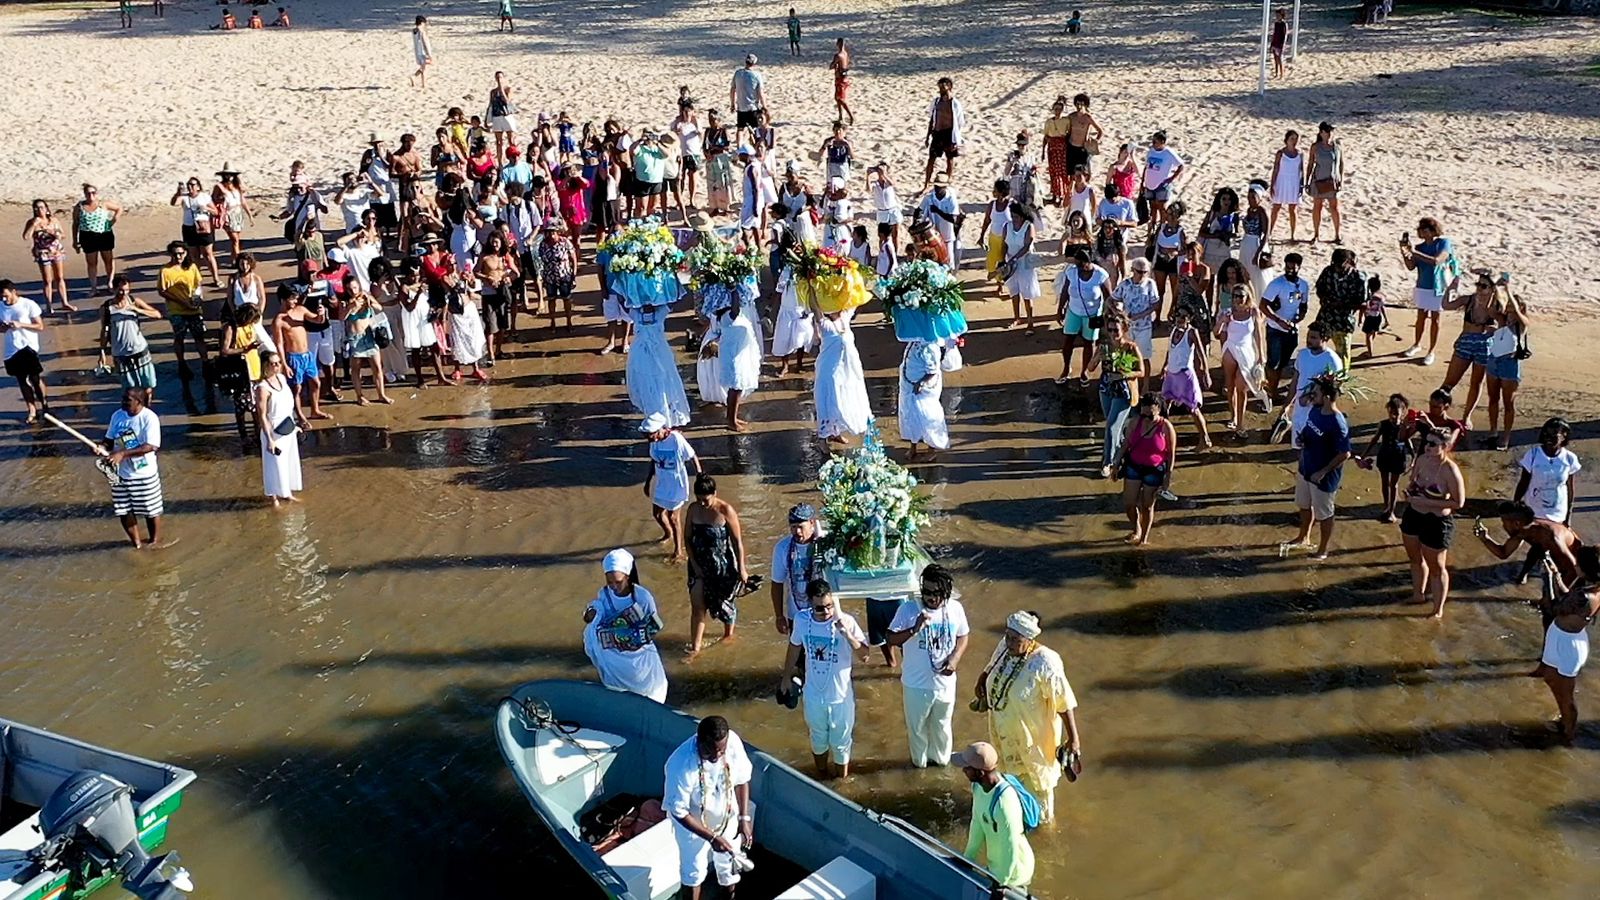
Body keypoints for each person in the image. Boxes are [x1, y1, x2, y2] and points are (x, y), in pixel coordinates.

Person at [974, 611, 1080, 824]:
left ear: (1030, 640)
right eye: (1008, 636)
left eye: (1016, 640)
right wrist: (981, 682)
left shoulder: (1046, 662)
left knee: (1039, 803)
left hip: (1033, 742)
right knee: (1010, 787)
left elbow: (1064, 702)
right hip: (1005, 735)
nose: (1010, 643)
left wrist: (1073, 739)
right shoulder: (1005, 647)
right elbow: (990, 667)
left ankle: (1044, 833)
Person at [882, 565, 971, 768]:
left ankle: (941, 766)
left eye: (935, 593)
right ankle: (919, 766)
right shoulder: (909, 609)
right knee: (917, 729)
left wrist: (955, 659)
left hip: (945, 684)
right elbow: (890, 638)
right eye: (926, 592)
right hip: (916, 685)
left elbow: (963, 636)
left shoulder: (955, 609)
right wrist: (914, 629)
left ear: (946, 592)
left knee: (942, 727)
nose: (930, 597)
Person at [781, 579, 867, 778]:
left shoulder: (847, 621)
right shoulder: (803, 621)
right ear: (810, 603)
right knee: (818, 739)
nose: (826, 612)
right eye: (820, 608)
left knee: (842, 743)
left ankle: (841, 782)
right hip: (814, 695)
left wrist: (847, 634)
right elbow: (794, 648)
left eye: (829, 606)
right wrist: (786, 677)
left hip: (841, 697)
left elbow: (865, 655)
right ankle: (820, 775)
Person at [664, 716, 753, 899]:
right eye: (709, 751)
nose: (715, 757)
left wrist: (744, 819)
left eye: (720, 751)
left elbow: (743, 780)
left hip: (727, 816)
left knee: (728, 864)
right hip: (692, 825)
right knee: (693, 872)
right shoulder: (680, 764)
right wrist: (712, 838)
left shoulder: (733, 741)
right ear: (699, 740)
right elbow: (679, 812)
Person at [1527, 548, 1600, 746]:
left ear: (1585, 569)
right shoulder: (1589, 589)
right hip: (1560, 637)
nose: (1574, 564)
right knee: (1551, 677)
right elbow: (1568, 599)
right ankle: (1563, 719)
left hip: (1568, 646)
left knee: (1566, 696)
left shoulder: (1585, 597)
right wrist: (1558, 577)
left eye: (1577, 563)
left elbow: (1554, 607)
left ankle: (1568, 733)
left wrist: (1548, 578)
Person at [583, 548, 668, 703]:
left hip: (638, 654)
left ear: (628, 577)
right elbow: (598, 611)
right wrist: (592, 613)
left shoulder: (643, 597)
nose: (614, 586)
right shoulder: (605, 594)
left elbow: (652, 626)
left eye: (618, 582)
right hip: (615, 653)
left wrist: (635, 641)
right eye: (610, 582)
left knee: (650, 691)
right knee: (619, 695)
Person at [1401, 419, 1466, 619]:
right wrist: (1410, 492)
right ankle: (1418, 595)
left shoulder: (1450, 470)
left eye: (1432, 444)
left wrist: (1428, 502)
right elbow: (1413, 482)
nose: (1427, 446)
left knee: (1437, 568)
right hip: (1413, 515)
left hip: (1436, 522)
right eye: (1426, 442)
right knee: (1414, 558)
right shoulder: (1421, 460)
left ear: (1444, 447)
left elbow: (1458, 503)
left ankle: (1437, 610)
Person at [1283, 375, 1351, 560]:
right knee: (1304, 505)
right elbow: (1307, 431)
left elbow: (1345, 453)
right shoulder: (1315, 410)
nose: (1313, 395)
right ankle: (1303, 537)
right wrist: (1301, 439)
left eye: (1317, 392)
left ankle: (1323, 549)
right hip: (1306, 468)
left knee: (1325, 514)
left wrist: (1323, 472)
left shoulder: (1338, 423)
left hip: (1322, 477)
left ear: (1328, 397)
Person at [683, 474, 749, 658]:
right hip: (698, 564)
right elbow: (687, 539)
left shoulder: (725, 510)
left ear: (715, 493)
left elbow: (737, 543)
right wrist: (694, 564)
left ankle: (729, 635)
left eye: (706, 499)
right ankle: (695, 648)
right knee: (698, 606)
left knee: (724, 604)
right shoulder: (693, 509)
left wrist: (742, 569)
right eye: (698, 499)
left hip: (723, 565)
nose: (702, 503)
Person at [955, 741, 1035, 891]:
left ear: (980, 772)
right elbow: (977, 824)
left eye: (967, 767)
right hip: (995, 867)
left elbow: (1010, 847)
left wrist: (1001, 884)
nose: (963, 770)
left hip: (1015, 873)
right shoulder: (978, 787)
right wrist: (967, 859)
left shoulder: (1005, 803)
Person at [99, 389, 167, 549]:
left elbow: (151, 446)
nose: (123, 402)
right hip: (120, 474)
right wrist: (102, 446)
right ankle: (136, 544)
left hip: (144, 473)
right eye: (123, 398)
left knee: (151, 510)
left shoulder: (149, 418)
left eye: (127, 400)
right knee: (124, 511)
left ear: (139, 401)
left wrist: (122, 454)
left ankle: (154, 542)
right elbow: (109, 439)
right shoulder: (117, 416)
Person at [1109, 393, 1177, 545]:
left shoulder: (1166, 427)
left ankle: (1144, 538)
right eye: (1143, 413)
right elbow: (1125, 444)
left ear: (1158, 409)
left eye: (1150, 414)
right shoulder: (1135, 422)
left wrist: (1168, 477)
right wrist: (1116, 464)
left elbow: (1171, 454)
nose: (1146, 417)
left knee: (1147, 506)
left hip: (1154, 470)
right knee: (1129, 503)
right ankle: (1136, 529)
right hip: (1134, 466)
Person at [1087, 317, 1145, 477]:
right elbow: (1090, 368)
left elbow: (1141, 371)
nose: (1113, 333)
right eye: (1110, 330)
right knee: (1112, 426)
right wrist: (1097, 357)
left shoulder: (1131, 348)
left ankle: (1109, 462)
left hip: (1124, 390)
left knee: (1112, 427)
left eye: (1116, 330)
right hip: (1106, 389)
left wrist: (1123, 375)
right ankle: (1123, 451)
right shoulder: (1104, 347)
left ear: (1124, 329)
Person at [1399, 217, 1460, 367]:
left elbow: (1436, 261)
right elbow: (1411, 266)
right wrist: (1405, 253)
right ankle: (1417, 344)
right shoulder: (1419, 248)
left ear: (1432, 231)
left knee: (1435, 319)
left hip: (1438, 287)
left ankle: (1431, 351)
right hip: (1423, 285)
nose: (1421, 232)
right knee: (1420, 317)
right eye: (1420, 229)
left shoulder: (1443, 243)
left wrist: (1413, 252)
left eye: (1424, 229)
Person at [642, 413, 700, 562]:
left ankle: (678, 550)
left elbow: (692, 456)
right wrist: (648, 481)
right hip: (661, 482)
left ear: (660, 430)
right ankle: (668, 534)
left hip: (676, 483)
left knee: (673, 517)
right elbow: (653, 461)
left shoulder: (676, 439)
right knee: (657, 514)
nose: (649, 438)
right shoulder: (653, 441)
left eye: (651, 434)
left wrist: (700, 475)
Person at [1214, 284, 1268, 437]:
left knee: (1241, 387)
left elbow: (1259, 334)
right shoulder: (1227, 312)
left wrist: (1261, 355)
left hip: (1246, 350)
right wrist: (1222, 321)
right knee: (1230, 385)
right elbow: (1216, 333)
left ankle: (1240, 423)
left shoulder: (1253, 312)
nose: (1237, 299)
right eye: (1235, 296)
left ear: (1247, 297)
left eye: (1241, 296)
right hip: (1230, 348)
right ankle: (1233, 417)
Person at [98, 276, 160, 405]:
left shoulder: (134, 301)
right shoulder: (107, 308)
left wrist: (137, 310)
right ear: (114, 289)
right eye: (121, 290)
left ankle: (147, 409)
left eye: (126, 290)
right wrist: (102, 352)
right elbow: (104, 330)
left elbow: (157, 314)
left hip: (140, 349)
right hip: (120, 353)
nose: (124, 293)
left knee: (148, 386)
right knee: (130, 390)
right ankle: (136, 410)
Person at [253, 352, 304, 507]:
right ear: (265, 366)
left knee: (288, 462)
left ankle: (287, 493)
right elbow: (262, 415)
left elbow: (287, 405)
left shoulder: (281, 378)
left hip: (287, 426)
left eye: (278, 363)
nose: (277, 366)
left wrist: (294, 426)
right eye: (273, 363)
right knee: (273, 464)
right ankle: (274, 498)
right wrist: (270, 440)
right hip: (273, 430)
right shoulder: (262, 388)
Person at [1054, 250, 1112, 384]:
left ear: (1087, 263)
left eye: (1080, 265)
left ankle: (1084, 371)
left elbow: (1109, 297)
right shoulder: (1071, 272)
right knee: (1068, 340)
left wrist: (1108, 316)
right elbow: (1064, 291)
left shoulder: (1100, 275)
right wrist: (1060, 309)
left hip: (1093, 314)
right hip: (1073, 311)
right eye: (1076, 265)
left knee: (1089, 342)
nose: (1077, 268)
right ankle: (1066, 368)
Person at [1160, 306, 1212, 449]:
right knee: (1165, 403)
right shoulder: (1174, 330)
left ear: (1189, 319)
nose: (1179, 319)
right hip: (1171, 373)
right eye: (1178, 315)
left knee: (1193, 408)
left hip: (1185, 375)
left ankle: (1205, 438)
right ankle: (1161, 433)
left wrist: (1206, 372)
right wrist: (1165, 365)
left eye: (1183, 316)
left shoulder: (1191, 332)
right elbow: (1170, 350)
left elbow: (1201, 353)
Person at [155, 243, 208, 381]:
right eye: (175, 254)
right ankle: (181, 363)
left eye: (181, 253)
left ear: (185, 253)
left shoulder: (191, 267)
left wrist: (197, 298)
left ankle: (205, 362)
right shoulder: (165, 271)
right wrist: (181, 301)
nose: (178, 256)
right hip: (176, 310)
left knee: (199, 337)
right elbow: (162, 291)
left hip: (193, 310)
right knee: (179, 337)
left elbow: (198, 285)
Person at [1260, 252, 1309, 399]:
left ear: (1299, 267)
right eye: (1287, 267)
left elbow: (1304, 306)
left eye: (1293, 267)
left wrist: (1297, 320)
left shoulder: (1304, 285)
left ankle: (1270, 387)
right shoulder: (1277, 284)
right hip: (1275, 329)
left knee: (1283, 362)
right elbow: (1263, 305)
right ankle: (1270, 392)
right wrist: (1278, 320)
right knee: (1274, 362)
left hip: (1292, 330)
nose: (1289, 270)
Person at [1485, 288, 1529, 450]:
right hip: (1494, 361)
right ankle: (1493, 430)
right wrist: (1495, 290)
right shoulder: (1502, 321)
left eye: (1512, 307)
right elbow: (1490, 310)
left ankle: (1506, 436)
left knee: (1508, 403)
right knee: (1493, 398)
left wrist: (1509, 291)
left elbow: (1517, 313)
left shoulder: (1521, 325)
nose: (1509, 309)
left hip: (1509, 364)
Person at [1357, 393, 1412, 523]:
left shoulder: (1404, 427)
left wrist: (1414, 459)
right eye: (1391, 413)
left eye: (1396, 414)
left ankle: (1391, 511)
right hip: (1385, 456)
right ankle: (1386, 507)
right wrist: (1363, 455)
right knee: (1384, 483)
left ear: (1403, 412)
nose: (1393, 417)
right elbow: (1374, 440)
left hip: (1398, 458)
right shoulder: (1383, 424)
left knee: (1394, 484)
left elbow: (1408, 442)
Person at [771, 504, 823, 634]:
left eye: (801, 526)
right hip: (796, 615)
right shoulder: (783, 548)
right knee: (797, 653)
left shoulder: (825, 544)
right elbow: (777, 583)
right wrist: (779, 616)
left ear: (811, 523)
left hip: (825, 613)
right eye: (793, 527)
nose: (797, 532)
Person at [0, 281, 48, 424]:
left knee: (35, 378)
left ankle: (45, 405)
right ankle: (31, 409)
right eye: (1, 297)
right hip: (11, 349)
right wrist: (3, 327)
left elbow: (40, 326)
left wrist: (21, 324)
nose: (4, 299)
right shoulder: (0, 307)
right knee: (21, 380)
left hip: (28, 346)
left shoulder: (28, 304)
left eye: (6, 296)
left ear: (14, 291)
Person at [895, 338, 950, 460]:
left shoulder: (929, 347)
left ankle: (931, 449)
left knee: (927, 416)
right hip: (908, 386)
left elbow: (933, 371)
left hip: (922, 389)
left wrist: (921, 383)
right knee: (910, 415)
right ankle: (913, 446)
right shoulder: (914, 341)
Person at [1312, 247, 1366, 368]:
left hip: (1344, 321)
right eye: (1334, 264)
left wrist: (1342, 305)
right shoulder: (1328, 272)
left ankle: (1340, 379)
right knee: (1316, 347)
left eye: (1340, 265)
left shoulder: (1359, 278)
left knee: (1343, 353)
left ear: (1348, 262)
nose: (1336, 268)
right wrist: (1324, 299)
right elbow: (1319, 288)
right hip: (1325, 317)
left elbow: (1362, 302)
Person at [342, 281, 393, 405]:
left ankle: (381, 394)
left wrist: (371, 302)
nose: (353, 291)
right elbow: (341, 318)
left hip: (369, 335)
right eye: (350, 289)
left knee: (377, 367)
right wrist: (351, 307)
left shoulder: (366, 296)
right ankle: (360, 396)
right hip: (355, 338)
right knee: (356, 368)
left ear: (358, 287)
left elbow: (380, 308)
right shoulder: (344, 302)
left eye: (355, 287)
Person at [72, 183, 121, 300]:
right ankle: (94, 287)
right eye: (88, 193)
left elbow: (119, 209)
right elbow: (75, 223)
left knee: (108, 260)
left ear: (96, 193)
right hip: (87, 236)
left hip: (104, 234)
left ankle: (110, 283)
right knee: (91, 263)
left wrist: (113, 220)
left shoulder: (103, 204)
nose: (91, 195)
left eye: (93, 193)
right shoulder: (79, 207)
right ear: (85, 194)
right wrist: (75, 241)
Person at [23, 199, 72, 315]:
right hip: (43, 252)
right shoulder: (32, 221)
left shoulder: (53, 220)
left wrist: (53, 232)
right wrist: (34, 225)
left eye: (42, 207)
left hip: (56, 251)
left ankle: (65, 302)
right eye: (37, 208)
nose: (40, 210)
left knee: (59, 277)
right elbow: (26, 236)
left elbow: (62, 235)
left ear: (46, 208)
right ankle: (49, 305)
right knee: (47, 280)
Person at [172, 177, 222, 288]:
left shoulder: (204, 197)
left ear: (198, 187)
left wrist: (206, 209)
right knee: (194, 255)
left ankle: (216, 278)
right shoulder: (184, 197)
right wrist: (178, 192)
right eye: (189, 185)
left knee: (208, 254)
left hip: (203, 227)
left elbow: (215, 211)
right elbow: (174, 203)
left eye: (193, 185)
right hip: (189, 228)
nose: (190, 187)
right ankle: (197, 278)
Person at [998, 202, 1040, 332]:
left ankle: (1030, 321)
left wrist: (1014, 259)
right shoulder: (1007, 226)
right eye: (1012, 215)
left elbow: (1027, 246)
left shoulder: (1029, 226)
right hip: (1010, 262)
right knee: (1014, 291)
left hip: (1024, 263)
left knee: (1026, 292)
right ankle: (1017, 317)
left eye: (1016, 216)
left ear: (1022, 216)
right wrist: (1002, 260)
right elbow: (1004, 244)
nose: (1013, 218)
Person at [923, 77, 966, 190]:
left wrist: (956, 138)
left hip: (949, 134)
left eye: (943, 87)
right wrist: (927, 137)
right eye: (940, 87)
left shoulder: (955, 103)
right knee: (931, 159)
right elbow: (932, 119)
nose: (941, 90)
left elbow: (959, 122)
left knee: (949, 159)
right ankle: (926, 183)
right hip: (937, 134)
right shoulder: (936, 102)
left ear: (949, 87)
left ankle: (948, 181)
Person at [1140, 131, 1184, 236]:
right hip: (1150, 184)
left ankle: (1162, 227)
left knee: (1162, 208)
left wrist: (1171, 178)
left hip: (1162, 185)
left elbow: (1181, 165)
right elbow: (1146, 167)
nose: (1153, 143)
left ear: (1162, 142)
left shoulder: (1168, 153)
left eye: (1155, 141)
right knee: (1152, 207)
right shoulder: (1151, 152)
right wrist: (1142, 182)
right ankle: (1152, 228)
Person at [1307, 122, 1345, 244]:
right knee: (1317, 207)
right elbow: (1310, 164)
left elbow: (1341, 164)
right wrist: (1307, 181)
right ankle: (1316, 234)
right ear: (1321, 133)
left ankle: (1337, 235)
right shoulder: (1315, 147)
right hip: (1318, 181)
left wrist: (1340, 180)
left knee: (1334, 208)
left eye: (1331, 131)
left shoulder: (1337, 147)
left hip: (1332, 181)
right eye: (1328, 131)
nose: (1330, 134)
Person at [918, 174, 961, 272]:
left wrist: (938, 211)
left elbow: (953, 219)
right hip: (932, 236)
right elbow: (919, 210)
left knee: (948, 262)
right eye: (936, 186)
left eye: (939, 187)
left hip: (947, 236)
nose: (937, 189)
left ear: (945, 187)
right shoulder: (929, 197)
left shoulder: (951, 198)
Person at [1268, 130, 1306, 242]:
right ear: (1287, 140)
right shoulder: (1281, 153)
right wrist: (1272, 184)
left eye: (1296, 139)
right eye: (1292, 139)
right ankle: (1269, 233)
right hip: (1281, 181)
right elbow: (1275, 169)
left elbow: (1301, 171)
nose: (1294, 141)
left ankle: (1292, 235)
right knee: (1276, 208)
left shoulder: (1300, 154)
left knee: (1292, 209)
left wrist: (1302, 186)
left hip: (1294, 182)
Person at [730, 53, 767, 146]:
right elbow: (760, 93)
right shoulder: (756, 75)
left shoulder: (738, 73)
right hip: (752, 106)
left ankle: (739, 147)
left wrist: (732, 104)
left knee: (740, 129)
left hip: (741, 106)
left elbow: (732, 90)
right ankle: (755, 146)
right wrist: (765, 106)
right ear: (754, 64)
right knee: (754, 129)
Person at [410, 16, 433, 89]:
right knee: (424, 69)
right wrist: (429, 54)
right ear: (422, 23)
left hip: (417, 51)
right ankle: (423, 84)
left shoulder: (414, 31)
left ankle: (414, 77)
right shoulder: (422, 32)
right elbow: (425, 42)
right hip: (423, 52)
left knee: (423, 67)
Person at [1270, 9, 1289, 78]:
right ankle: (1276, 73)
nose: (1277, 17)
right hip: (1275, 43)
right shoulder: (1276, 24)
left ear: (1282, 16)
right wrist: (1272, 44)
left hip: (1280, 44)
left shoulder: (1284, 24)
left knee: (1280, 59)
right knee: (1275, 59)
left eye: (1278, 15)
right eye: (1276, 15)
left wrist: (1283, 45)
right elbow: (1274, 34)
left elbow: (1285, 35)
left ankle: (1282, 74)